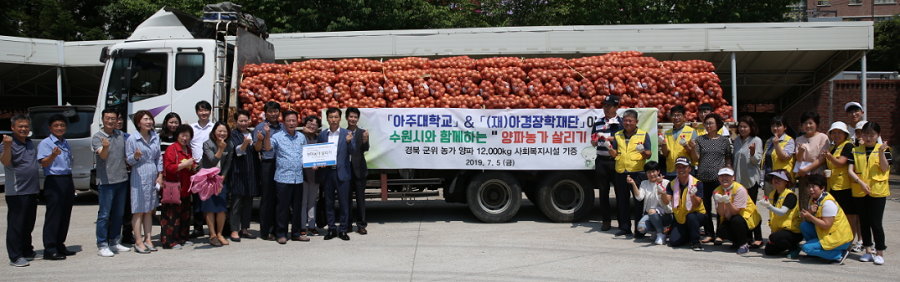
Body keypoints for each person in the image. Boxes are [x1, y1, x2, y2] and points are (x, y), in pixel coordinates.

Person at [848, 121, 891, 265]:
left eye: (872, 135)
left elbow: (885, 168)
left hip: (878, 191)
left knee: (876, 223)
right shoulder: (855, 150)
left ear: (878, 135)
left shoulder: (884, 149)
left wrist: (880, 152)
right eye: (865, 134)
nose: (868, 138)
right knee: (864, 222)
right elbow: (850, 171)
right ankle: (867, 251)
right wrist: (860, 183)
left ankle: (879, 252)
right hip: (860, 191)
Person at [36, 114, 77, 260]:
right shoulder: (46, 143)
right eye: (56, 126)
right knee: (54, 215)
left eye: (62, 125)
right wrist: (53, 155)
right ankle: (50, 248)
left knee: (65, 214)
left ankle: (60, 245)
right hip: (54, 180)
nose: (59, 128)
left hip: (67, 179)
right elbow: (44, 163)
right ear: (50, 127)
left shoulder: (64, 142)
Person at [93, 108, 132, 257]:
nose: (110, 121)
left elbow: (125, 156)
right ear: (103, 119)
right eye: (107, 118)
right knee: (104, 214)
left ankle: (115, 241)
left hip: (122, 179)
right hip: (106, 181)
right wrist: (106, 147)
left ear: (117, 120)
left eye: (113, 118)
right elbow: (102, 156)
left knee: (119, 214)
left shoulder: (121, 135)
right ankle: (102, 244)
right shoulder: (98, 137)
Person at [264, 111, 308, 244]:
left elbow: (307, 155)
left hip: (298, 178)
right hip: (283, 178)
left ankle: (296, 233)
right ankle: (281, 233)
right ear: (283, 122)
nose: (291, 123)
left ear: (297, 122)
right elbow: (267, 148)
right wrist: (266, 134)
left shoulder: (301, 137)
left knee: (297, 207)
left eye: (294, 120)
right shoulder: (277, 137)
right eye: (288, 120)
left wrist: (315, 164)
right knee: (282, 208)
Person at [688, 113, 732, 244]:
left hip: (719, 178)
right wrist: (692, 148)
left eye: (711, 123)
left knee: (721, 206)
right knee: (706, 207)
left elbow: (728, 157)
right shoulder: (700, 140)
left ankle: (720, 233)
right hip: (703, 177)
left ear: (717, 125)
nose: (708, 126)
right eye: (706, 123)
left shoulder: (724, 141)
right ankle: (709, 233)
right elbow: (696, 158)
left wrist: (729, 170)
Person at [2, 115, 40, 267]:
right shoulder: (8, 143)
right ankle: (15, 256)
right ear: (12, 127)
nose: (24, 129)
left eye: (26, 126)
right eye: (20, 126)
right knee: (16, 225)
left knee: (28, 224)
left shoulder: (29, 142)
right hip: (17, 192)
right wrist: (6, 146)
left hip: (31, 190)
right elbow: (5, 161)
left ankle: (26, 250)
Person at [608, 109, 652, 237]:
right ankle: (625, 228)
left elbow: (648, 155)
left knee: (639, 202)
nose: (628, 123)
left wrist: (642, 150)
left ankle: (639, 229)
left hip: (637, 173)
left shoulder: (643, 135)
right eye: (625, 120)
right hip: (621, 172)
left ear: (636, 121)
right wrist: (609, 148)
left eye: (630, 120)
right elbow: (615, 154)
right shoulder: (618, 135)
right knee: (622, 201)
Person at [125, 110, 164, 254]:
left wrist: (160, 174)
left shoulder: (155, 137)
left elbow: (158, 157)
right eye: (145, 119)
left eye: (150, 119)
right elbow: (128, 160)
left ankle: (148, 239)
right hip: (139, 174)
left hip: (152, 173)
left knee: (149, 209)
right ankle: (138, 241)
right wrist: (135, 157)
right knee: (138, 210)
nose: (149, 122)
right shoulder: (132, 139)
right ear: (138, 122)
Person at [821, 121, 861, 253]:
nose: (836, 135)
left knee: (850, 216)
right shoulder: (833, 148)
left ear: (845, 134)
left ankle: (849, 243)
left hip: (845, 186)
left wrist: (829, 157)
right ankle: (840, 240)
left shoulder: (848, 146)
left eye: (839, 132)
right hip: (833, 186)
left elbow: (840, 163)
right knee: (838, 216)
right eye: (834, 132)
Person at [317, 108, 356, 241]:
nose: (333, 120)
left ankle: (343, 229)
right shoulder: (322, 135)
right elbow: (318, 152)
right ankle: (332, 229)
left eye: (336, 117)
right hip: (327, 173)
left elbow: (353, 151)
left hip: (342, 173)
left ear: (340, 118)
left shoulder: (347, 133)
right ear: (327, 119)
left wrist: (350, 142)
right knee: (329, 202)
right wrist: (319, 163)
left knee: (344, 203)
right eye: (331, 117)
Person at [799, 174, 852, 264]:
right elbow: (807, 219)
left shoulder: (828, 203)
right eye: (808, 187)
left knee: (806, 248)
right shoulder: (814, 199)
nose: (810, 189)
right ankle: (818, 253)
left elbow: (827, 225)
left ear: (822, 188)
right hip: (827, 233)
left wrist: (810, 216)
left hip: (839, 239)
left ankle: (839, 254)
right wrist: (809, 212)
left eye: (814, 186)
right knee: (804, 225)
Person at [160, 125, 197, 250]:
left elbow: (191, 166)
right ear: (177, 135)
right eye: (182, 135)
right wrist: (185, 164)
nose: (185, 138)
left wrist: (194, 167)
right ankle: (170, 241)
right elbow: (169, 168)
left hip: (186, 188)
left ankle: (182, 238)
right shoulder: (172, 149)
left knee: (185, 215)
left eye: (187, 136)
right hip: (174, 188)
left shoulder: (188, 149)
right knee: (172, 216)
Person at [589, 95, 622, 231]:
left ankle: (622, 222)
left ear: (616, 107)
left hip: (616, 160)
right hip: (601, 160)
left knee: (620, 193)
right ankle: (606, 221)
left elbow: (624, 138)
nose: (606, 109)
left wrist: (609, 138)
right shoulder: (598, 122)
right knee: (603, 192)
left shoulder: (621, 123)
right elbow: (593, 141)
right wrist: (595, 141)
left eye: (609, 106)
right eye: (604, 106)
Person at [661, 157, 707, 251]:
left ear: (689, 168)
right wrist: (662, 192)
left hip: (697, 215)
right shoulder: (672, 184)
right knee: (674, 242)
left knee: (691, 217)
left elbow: (697, 204)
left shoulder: (697, 183)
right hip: (680, 218)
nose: (681, 169)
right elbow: (666, 201)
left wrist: (693, 195)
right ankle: (688, 234)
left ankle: (696, 242)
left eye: (684, 167)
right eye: (678, 167)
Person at [712, 167, 762, 254]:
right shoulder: (717, 190)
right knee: (722, 231)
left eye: (727, 176)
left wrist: (727, 202)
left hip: (748, 219)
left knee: (736, 220)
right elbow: (721, 213)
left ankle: (743, 244)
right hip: (730, 218)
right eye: (722, 176)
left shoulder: (740, 189)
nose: (724, 178)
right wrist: (720, 202)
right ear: (718, 178)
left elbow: (735, 212)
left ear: (733, 177)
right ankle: (737, 241)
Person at [254, 101, 285, 241]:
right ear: (265, 113)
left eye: (275, 111)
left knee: (280, 198)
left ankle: (279, 229)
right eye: (270, 112)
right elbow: (256, 148)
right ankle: (266, 231)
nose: (273, 114)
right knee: (267, 198)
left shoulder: (283, 127)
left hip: (282, 164)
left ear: (279, 112)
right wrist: (261, 139)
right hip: (267, 164)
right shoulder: (260, 127)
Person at [200, 122, 234, 246]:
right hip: (208, 179)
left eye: (224, 131)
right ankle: (212, 234)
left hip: (221, 179)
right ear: (214, 131)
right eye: (219, 131)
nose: (222, 133)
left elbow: (227, 164)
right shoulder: (207, 144)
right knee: (209, 207)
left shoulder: (230, 144)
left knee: (221, 208)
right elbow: (213, 161)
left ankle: (220, 233)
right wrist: (220, 148)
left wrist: (221, 181)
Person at [733, 116, 764, 248]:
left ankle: (758, 237)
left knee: (752, 209)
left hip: (750, 180)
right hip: (738, 181)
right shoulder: (736, 141)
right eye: (741, 126)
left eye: (745, 126)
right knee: (741, 209)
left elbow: (757, 161)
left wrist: (752, 152)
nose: (742, 129)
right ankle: (746, 235)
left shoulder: (756, 140)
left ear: (751, 128)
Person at [228, 109, 259, 241]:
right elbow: (238, 151)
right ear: (236, 122)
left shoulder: (253, 133)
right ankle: (234, 230)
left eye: (245, 120)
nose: (243, 123)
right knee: (236, 202)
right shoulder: (233, 135)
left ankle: (244, 229)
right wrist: (246, 143)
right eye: (240, 121)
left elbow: (257, 150)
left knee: (248, 202)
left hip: (251, 172)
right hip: (238, 172)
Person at [625, 161, 672, 245]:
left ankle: (661, 234)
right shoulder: (644, 183)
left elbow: (666, 202)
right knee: (641, 228)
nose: (651, 174)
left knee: (651, 211)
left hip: (666, 214)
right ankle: (656, 230)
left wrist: (659, 184)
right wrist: (633, 184)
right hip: (650, 215)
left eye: (653, 171)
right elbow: (639, 198)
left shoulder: (666, 182)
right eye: (649, 172)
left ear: (658, 172)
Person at [758, 170, 803, 258]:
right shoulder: (772, 194)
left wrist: (769, 206)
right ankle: (786, 245)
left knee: (773, 237)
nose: (776, 180)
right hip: (779, 231)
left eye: (779, 178)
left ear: (786, 181)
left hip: (793, 231)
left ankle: (794, 247)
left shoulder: (790, 195)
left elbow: (782, 213)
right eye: (774, 178)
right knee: (769, 251)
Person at [189, 101, 214, 239]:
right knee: (197, 199)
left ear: (210, 112)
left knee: (211, 198)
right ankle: (198, 228)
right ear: (197, 112)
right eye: (200, 110)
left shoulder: (214, 127)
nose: (203, 113)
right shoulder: (191, 128)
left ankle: (213, 229)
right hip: (196, 168)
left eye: (206, 110)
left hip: (211, 168)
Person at [794, 111, 829, 208]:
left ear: (816, 124)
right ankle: (805, 221)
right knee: (804, 200)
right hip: (803, 174)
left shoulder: (823, 137)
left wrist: (807, 169)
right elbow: (799, 158)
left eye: (811, 123)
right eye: (805, 123)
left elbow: (822, 159)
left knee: (818, 201)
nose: (808, 126)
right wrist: (800, 151)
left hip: (817, 172)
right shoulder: (799, 139)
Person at [346, 107, 370, 234]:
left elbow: (366, 149)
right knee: (346, 198)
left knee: (361, 199)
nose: (353, 119)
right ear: (346, 118)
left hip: (360, 169)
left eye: (355, 117)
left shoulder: (362, 132)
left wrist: (365, 140)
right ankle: (348, 224)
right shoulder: (342, 132)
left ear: (358, 119)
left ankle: (361, 225)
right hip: (346, 169)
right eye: (351, 117)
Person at [661, 105, 697, 181]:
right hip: (671, 170)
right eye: (674, 115)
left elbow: (695, 155)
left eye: (679, 115)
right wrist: (663, 143)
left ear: (684, 117)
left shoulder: (691, 131)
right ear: (670, 117)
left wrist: (686, 146)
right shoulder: (667, 133)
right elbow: (665, 154)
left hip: (686, 171)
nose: (676, 118)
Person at [761, 116, 795, 196]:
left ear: (785, 127)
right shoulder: (769, 141)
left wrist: (776, 144)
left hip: (783, 179)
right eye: (773, 126)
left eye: (778, 125)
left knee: (783, 203)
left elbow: (784, 157)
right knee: (770, 204)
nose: (775, 128)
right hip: (769, 178)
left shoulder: (789, 140)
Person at [301, 115, 322, 236]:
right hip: (303, 173)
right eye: (309, 123)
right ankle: (302, 225)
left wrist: (321, 163)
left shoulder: (320, 139)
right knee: (303, 201)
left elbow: (324, 154)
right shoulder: (300, 137)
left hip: (315, 173)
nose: (312, 126)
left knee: (312, 201)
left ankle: (312, 225)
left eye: (315, 124)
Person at [116, 111, 134, 245]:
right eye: (115, 119)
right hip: (112, 178)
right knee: (113, 209)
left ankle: (127, 234)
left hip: (128, 176)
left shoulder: (128, 137)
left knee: (128, 208)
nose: (119, 121)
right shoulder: (103, 138)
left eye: (120, 118)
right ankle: (111, 236)